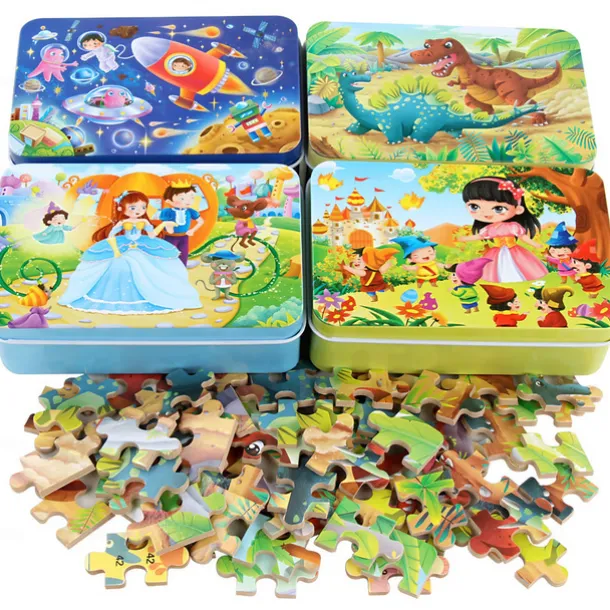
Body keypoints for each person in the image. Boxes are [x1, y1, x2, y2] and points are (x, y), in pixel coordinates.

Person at [59, 191, 201, 314]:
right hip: (122, 245)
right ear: (122, 208)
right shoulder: (122, 223)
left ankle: (151, 293)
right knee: (118, 266)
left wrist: (163, 224)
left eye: (143, 207)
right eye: (133, 207)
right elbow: (111, 236)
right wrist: (115, 250)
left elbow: (152, 235)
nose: (138, 211)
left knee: (149, 267)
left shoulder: (144, 222)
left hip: (141, 244)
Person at [458, 177, 547, 282]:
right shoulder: (489, 229)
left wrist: (535, 244)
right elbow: (479, 236)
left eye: (498, 208)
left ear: (518, 209)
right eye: (474, 206)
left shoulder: (513, 227)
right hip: (496, 252)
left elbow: (523, 237)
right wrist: (465, 238)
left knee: (520, 265)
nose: (486, 213)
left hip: (514, 250)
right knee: (493, 268)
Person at [158, 181, 205, 265]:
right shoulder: (167, 211)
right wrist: (169, 227)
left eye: (191, 197)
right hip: (170, 237)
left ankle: (182, 269)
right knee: (169, 254)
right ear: (168, 200)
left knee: (183, 255)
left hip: (184, 237)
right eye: (182, 198)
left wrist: (193, 230)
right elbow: (167, 225)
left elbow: (201, 221)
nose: (188, 201)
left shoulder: (190, 211)